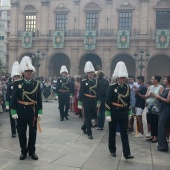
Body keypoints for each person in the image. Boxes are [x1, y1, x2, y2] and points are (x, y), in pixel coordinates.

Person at [10, 56, 42, 160]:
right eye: (27, 71)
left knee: (33, 133)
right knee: (22, 133)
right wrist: (13, 111)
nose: (29, 73)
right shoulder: (17, 83)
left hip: (32, 111)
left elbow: (39, 99)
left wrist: (40, 111)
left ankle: (32, 151)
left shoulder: (36, 84)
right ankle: (23, 151)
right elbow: (13, 98)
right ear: (23, 72)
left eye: (30, 71)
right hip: (20, 111)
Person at [105, 61, 134, 159]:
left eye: (124, 78)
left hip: (124, 111)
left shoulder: (127, 87)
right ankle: (112, 150)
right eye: (121, 78)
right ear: (117, 78)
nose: (123, 79)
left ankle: (127, 153)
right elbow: (107, 101)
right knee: (112, 132)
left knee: (124, 133)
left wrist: (130, 112)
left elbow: (128, 100)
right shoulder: (112, 87)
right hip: (113, 111)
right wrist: (107, 113)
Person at [78, 61, 98, 139]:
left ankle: (84, 127)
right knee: (88, 117)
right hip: (86, 101)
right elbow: (81, 92)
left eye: (92, 73)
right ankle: (89, 133)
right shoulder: (84, 82)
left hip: (94, 101)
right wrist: (80, 102)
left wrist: (98, 100)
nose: (91, 74)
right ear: (87, 73)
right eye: (89, 73)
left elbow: (97, 92)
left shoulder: (96, 81)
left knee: (92, 116)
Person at [153, 76, 170, 151]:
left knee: (162, 125)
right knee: (160, 126)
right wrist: (157, 96)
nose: (164, 80)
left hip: (166, 109)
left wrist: (159, 97)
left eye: (165, 79)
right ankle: (161, 145)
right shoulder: (165, 89)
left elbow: (168, 101)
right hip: (162, 108)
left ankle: (163, 146)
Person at [146, 75, 163, 143]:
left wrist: (154, 95)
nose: (151, 80)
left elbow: (161, 97)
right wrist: (148, 95)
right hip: (149, 106)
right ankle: (152, 135)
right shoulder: (150, 87)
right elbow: (146, 95)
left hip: (155, 107)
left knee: (155, 122)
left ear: (156, 80)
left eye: (153, 79)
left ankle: (156, 136)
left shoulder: (160, 87)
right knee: (150, 121)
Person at [6, 61, 21, 138]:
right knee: (12, 119)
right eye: (15, 76)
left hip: (19, 103)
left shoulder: (21, 84)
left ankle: (18, 129)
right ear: (13, 77)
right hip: (12, 104)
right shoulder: (10, 85)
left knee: (19, 118)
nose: (17, 78)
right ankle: (13, 132)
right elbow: (7, 96)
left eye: (18, 76)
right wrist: (7, 104)